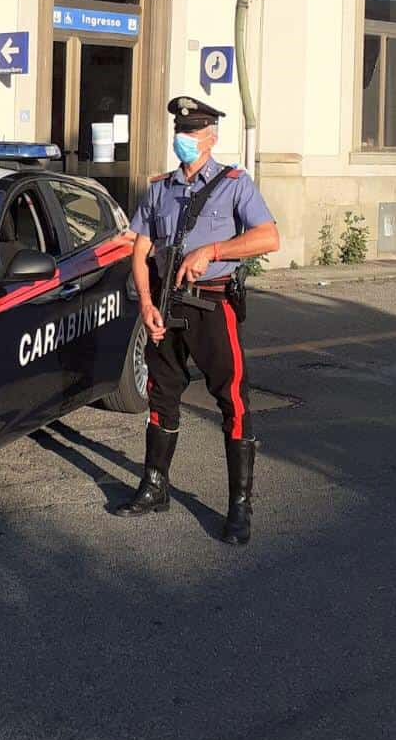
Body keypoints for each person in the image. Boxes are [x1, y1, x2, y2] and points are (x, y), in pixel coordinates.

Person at [119, 95, 280, 545]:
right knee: (161, 393)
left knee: (232, 398)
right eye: (179, 131)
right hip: (166, 305)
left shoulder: (234, 184)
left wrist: (213, 250)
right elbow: (139, 247)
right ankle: (155, 486)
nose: (182, 139)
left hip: (212, 304)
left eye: (191, 132)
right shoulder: (160, 188)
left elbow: (269, 236)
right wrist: (146, 304)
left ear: (210, 137)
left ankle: (239, 507)